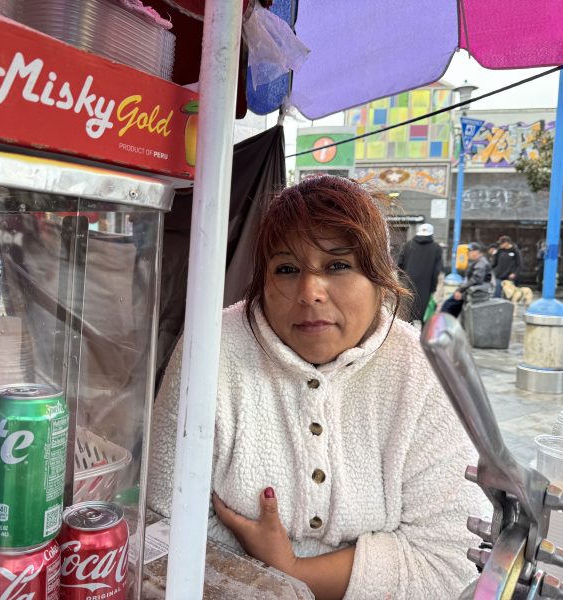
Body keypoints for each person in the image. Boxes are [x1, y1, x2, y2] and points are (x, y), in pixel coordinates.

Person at [148, 176, 484, 599]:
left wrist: (290, 569)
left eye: (338, 265)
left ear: (380, 278)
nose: (309, 293)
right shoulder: (211, 347)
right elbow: (164, 522)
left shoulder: (420, 370)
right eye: (286, 269)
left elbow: (453, 558)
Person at [396, 222, 443, 324]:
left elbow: (399, 265)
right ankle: (423, 337)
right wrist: (433, 287)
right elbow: (437, 271)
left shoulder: (408, 245)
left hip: (408, 284)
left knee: (407, 314)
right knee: (424, 314)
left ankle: (408, 335)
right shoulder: (436, 248)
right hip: (426, 286)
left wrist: (400, 281)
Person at [440, 242, 492, 318]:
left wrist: (460, 290)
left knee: (449, 305)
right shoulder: (477, 262)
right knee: (449, 304)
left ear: (476, 252)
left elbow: (476, 280)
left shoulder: (481, 263)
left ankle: (444, 325)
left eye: (470, 252)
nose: (468, 254)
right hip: (470, 290)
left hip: (475, 292)